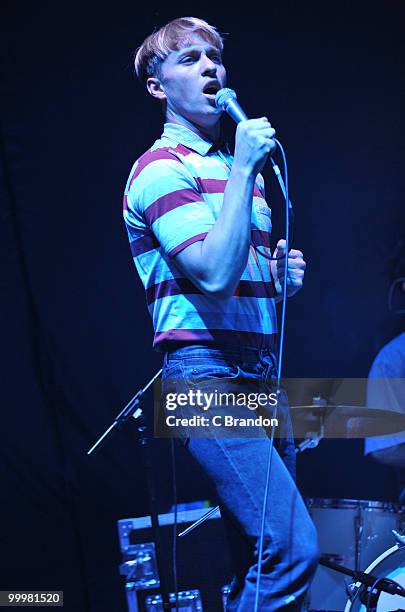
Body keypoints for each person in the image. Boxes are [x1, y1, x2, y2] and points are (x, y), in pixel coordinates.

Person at [123, 17, 319, 610]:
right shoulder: (161, 168)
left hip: (257, 372)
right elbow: (210, 270)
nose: (210, 67)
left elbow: (227, 280)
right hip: (205, 376)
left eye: (214, 56)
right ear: (158, 86)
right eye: (188, 58)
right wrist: (242, 171)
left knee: (256, 556)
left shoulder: (237, 173)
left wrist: (277, 280)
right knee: (291, 548)